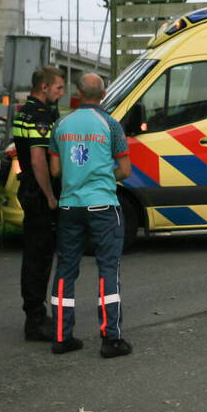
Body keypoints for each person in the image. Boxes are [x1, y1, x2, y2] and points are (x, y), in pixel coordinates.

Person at [47, 73, 133, 357]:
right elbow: (125, 169)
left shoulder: (61, 125)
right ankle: (111, 339)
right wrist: (102, 173)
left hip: (70, 206)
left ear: (78, 94)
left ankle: (61, 336)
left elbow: (56, 170)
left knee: (65, 271)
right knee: (108, 268)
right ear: (103, 95)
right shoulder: (110, 124)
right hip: (102, 206)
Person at [12, 66, 65, 341]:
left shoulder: (23, 112)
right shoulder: (41, 116)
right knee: (40, 256)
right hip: (38, 193)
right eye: (58, 88)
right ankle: (35, 319)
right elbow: (37, 160)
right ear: (44, 87)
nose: (61, 92)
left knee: (34, 254)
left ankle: (34, 313)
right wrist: (50, 196)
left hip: (28, 190)